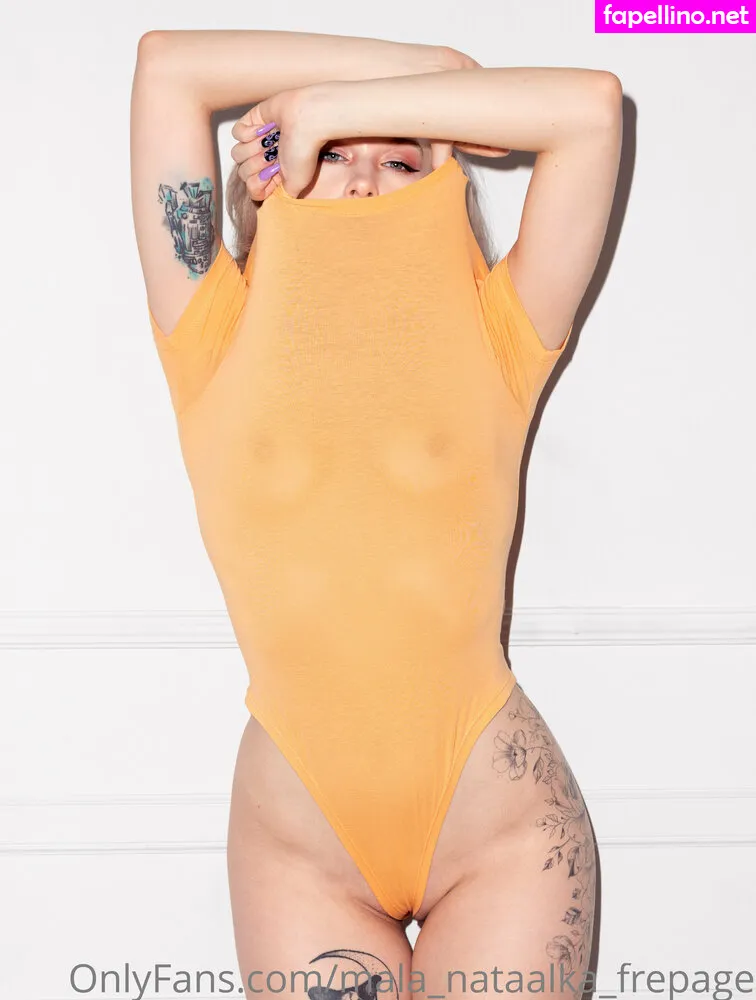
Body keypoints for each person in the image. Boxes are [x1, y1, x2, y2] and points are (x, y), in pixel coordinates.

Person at [130, 29, 622, 1000]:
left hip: (497, 832)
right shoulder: (209, 326)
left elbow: (592, 110)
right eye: (328, 157)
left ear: (447, 188)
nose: (362, 177)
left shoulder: (502, 325)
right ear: (266, 178)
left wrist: (325, 111)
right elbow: (167, 68)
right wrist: (430, 70)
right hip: (300, 851)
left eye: (402, 159)